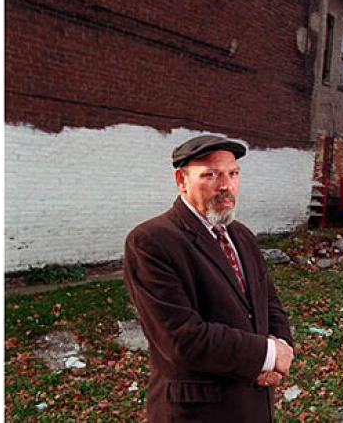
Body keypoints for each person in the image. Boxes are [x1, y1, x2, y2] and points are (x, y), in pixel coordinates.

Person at [123, 135, 295, 422]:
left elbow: (269, 303)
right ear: (181, 180)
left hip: (254, 401)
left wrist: (281, 349)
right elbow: (182, 338)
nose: (226, 185)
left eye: (233, 173)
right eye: (211, 175)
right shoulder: (151, 241)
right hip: (198, 412)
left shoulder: (242, 235)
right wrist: (266, 354)